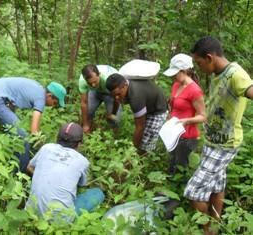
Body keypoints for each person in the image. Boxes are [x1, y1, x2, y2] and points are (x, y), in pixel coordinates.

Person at [184, 36, 253, 235]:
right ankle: (215, 226)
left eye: (199, 63)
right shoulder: (217, 72)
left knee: (193, 191)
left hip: (226, 144)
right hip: (213, 141)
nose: (199, 68)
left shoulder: (236, 74)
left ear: (209, 57)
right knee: (217, 185)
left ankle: (208, 230)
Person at [26, 122, 105, 219]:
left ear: (57, 137)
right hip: (60, 220)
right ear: (79, 144)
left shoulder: (46, 148)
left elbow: (29, 167)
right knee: (98, 193)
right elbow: (82, 184)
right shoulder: (82, 161)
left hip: (31, 212)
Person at [163, 53, 206, 176]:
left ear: (184, 71)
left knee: (181, 168)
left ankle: (181, 193)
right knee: (171, 165)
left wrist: (186, 121)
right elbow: (175, 105)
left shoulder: (195, 90)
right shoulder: (176, 85)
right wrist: (170, 114)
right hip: (174, 133)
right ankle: (169, 192)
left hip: (187, 136)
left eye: (175, 74)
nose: (173, 77)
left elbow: (203, 116)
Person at [106, 73, 168, 154]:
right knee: (141, 136)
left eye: (118, 94)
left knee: (145, 145)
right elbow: (117, 98)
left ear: (125, 85)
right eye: (114, 95)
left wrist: (132, 151)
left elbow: (140, 127)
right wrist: (113, 114)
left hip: (158, 111)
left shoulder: (136, 97)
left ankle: (143, 158)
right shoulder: (125, 84)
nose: (116, 97)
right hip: (148, 105)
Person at [0, 77, 66, 137]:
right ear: (49, 96)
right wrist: (41, 144)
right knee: (23, 137)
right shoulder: (40, 98)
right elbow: (34, 131)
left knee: (14, 129)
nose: (53, 106)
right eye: (55, 103)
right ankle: (24, 160)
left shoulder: (38, 88)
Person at [79, 64, 122, 133]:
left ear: (99, 74)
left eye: (95, 81)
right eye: (90, 83)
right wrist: (85, 125)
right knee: (86, 113)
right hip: (95, 92)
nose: (93, 85)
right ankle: (88, 132)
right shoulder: (82, 81)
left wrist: (113, 114)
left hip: (110, 93)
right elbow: (84, 103)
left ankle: (114, 138)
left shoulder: (109, 78)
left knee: (115, 119)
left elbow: (117, 98)